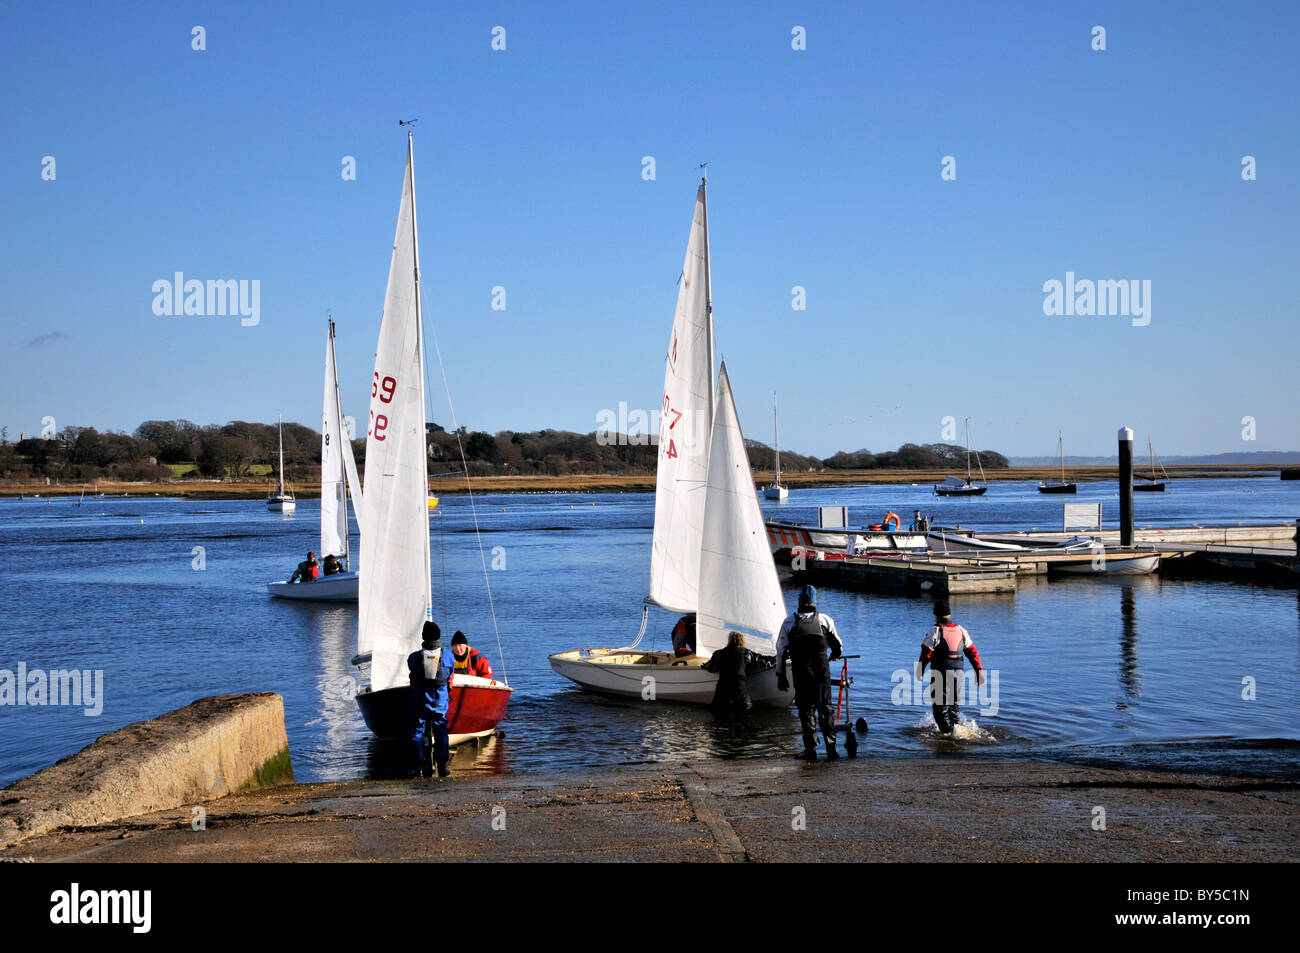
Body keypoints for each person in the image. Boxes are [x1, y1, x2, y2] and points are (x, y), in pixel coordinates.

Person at [775, 585, 843, 760]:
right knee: (825, 709)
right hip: (821, 674)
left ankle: (811, 750)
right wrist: (835, 655)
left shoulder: (789, 622)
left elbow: (781, 651)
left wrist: (781, 675)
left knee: (806, 711)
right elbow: (838, 646)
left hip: (801, 673)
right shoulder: (825, 620)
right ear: (815, 603)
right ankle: (831, 749)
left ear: (799, 602)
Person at [917, 600, 984, 735]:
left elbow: (926, 652)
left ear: (935, 615)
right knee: (953, 707)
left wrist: (920, 669)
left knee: (940, 708)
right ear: (950, 614)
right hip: (958, 673)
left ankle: (949, 738)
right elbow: (972, 652)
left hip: (941, 673)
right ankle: (958, 733)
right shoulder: (961, 630)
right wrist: (979, 671)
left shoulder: (936, 630)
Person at [407, 621, 453, 778]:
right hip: (440, 701)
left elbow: (411, 670)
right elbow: (450, 674)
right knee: (441, 732)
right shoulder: (447, 655)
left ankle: (418, 767)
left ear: (423, 637)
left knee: (417, 732)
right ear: (438, 636)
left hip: (420, 701)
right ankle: (442, 766)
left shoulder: (414, 657)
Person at [701, 630, 752, 717]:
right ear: (742, 640)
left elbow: (711, 668)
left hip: (724, 687)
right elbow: (758, 662)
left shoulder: (719, 653)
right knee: (744, 712)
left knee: (718, 713)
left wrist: (704, 666)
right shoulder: (747, 653)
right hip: (739, 687)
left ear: (729, 640)